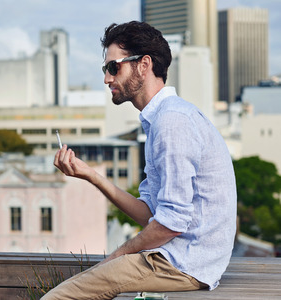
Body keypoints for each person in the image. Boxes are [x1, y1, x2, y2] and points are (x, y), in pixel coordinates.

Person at [44, 21, 237, 299]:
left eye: (113, 67)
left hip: (183, 264)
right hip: (183, 260)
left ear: (143, 65)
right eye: (105, 69)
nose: (107, 79)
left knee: (59, 296)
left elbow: (171, 223)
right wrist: (89, 174)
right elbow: (151, 214)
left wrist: (117, 257)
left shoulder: (172, 122)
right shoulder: (161, 119)